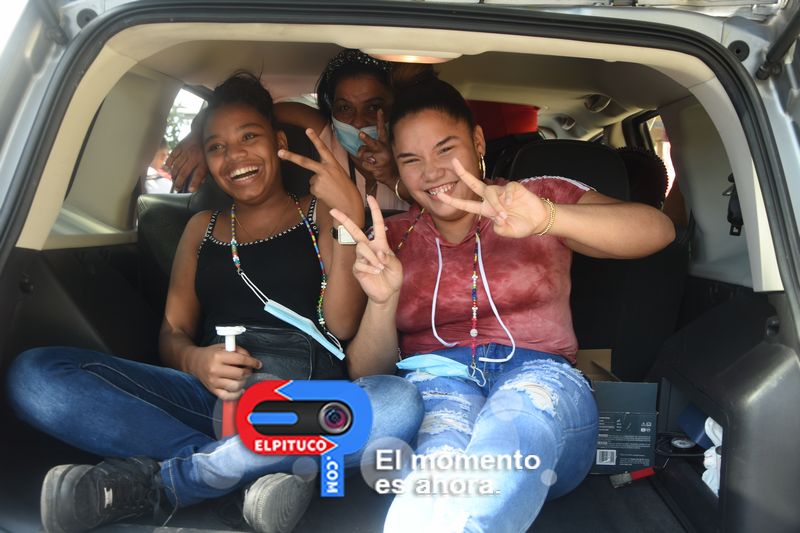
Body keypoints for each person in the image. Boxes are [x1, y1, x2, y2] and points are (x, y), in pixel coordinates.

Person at [6, 72, 423, 533]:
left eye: (249, 137)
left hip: (305, 401)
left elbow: (341, 324)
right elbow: (173, 333)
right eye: (217, 146)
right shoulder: (200, 227)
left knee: (398, 403)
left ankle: (174, 480)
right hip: (211, 400)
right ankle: (242, 473)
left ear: (278, 143)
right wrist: (196, 361)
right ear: (206, 158)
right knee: (35, 376)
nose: (235, 156)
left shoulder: (321, 211)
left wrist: (349, 215)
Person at [331, 79, 676, 532]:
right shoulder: (391, 238)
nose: (431, 173)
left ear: (477, 142)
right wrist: (382, 300)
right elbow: (366, 373)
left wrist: (547, 218)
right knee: (438, 463)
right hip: (438, 385)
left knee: (514, 421)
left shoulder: (534, 197)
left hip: (542, 384)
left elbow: (657, 231)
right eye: (412, 160)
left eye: (445, 150)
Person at [166, 49, 416, 210]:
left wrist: (392, 176)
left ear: (394, 107)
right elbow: (246, 115)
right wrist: (200, 136)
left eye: (373, 107)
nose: (358, 122)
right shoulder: (323, 134)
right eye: (344, 108)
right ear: (331, 110)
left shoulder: (415, 151)